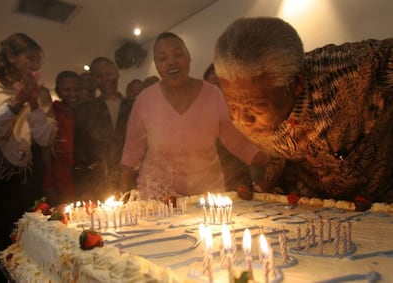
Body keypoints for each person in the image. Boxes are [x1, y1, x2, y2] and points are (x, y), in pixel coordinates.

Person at [213, 17, 393, 209]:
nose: (242, 119)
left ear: (296, 84)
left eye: (256, 107)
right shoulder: (246, 102)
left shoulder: (355, 71)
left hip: (381, 204)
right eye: (233, 106)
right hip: (313, 209)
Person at [119, 32, 267, 200]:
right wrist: (122, 194)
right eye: (163, 58)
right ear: (157, 65)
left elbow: (239, 143)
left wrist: (274, 165)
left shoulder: (212, 94)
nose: (172, 62)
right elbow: (131, 151)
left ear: (189, 57)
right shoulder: (145, 100)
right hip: (156, 194)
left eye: (178, 54)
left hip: (205, 194)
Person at [0, 33, 56, 282]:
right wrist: (14, 103)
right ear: (11, 57)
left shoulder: (42, 95)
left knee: (27, 236)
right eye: (30, 57)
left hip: (26, 177)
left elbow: (45, 139)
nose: (36, 65)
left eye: (38, 59)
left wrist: (33, 104)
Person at [74, 57, 133, 201]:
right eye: (99, 76)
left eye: (109, 73)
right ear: (94, 80)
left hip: (132, 178)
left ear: (117, 73)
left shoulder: (133, 106)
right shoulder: (85, 110)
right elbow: (80, 152)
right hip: (99, 183)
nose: (105, 79)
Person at [203, 63, 255, 192]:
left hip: (239, 176)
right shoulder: (201, 113)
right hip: (208, 179)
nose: (216, 91)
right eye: (212, 85)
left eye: (220, 84)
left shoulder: (242, 112)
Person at [43, 71, 81, 205]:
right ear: (58, 91)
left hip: (85, 180)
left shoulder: (88, 111)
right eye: (67, 90)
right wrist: (48, 185)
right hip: (60, 179)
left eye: (76, 89)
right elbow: (45, 152)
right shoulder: (52, 113)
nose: (73, 94)